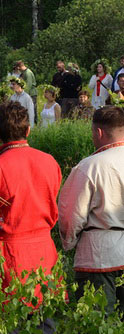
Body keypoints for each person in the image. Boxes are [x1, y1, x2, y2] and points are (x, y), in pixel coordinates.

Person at [0, 102, 61, 334]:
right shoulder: (49, 161)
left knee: (6, 329)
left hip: (10, 252)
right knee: (45, 327)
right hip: (43, 249)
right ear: (28, 130)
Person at [58, 106, 124, 315]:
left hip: (99, 256)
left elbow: (70, 216)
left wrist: (69, 243)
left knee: (97, 327)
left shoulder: (90, 167)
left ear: (99, 132)